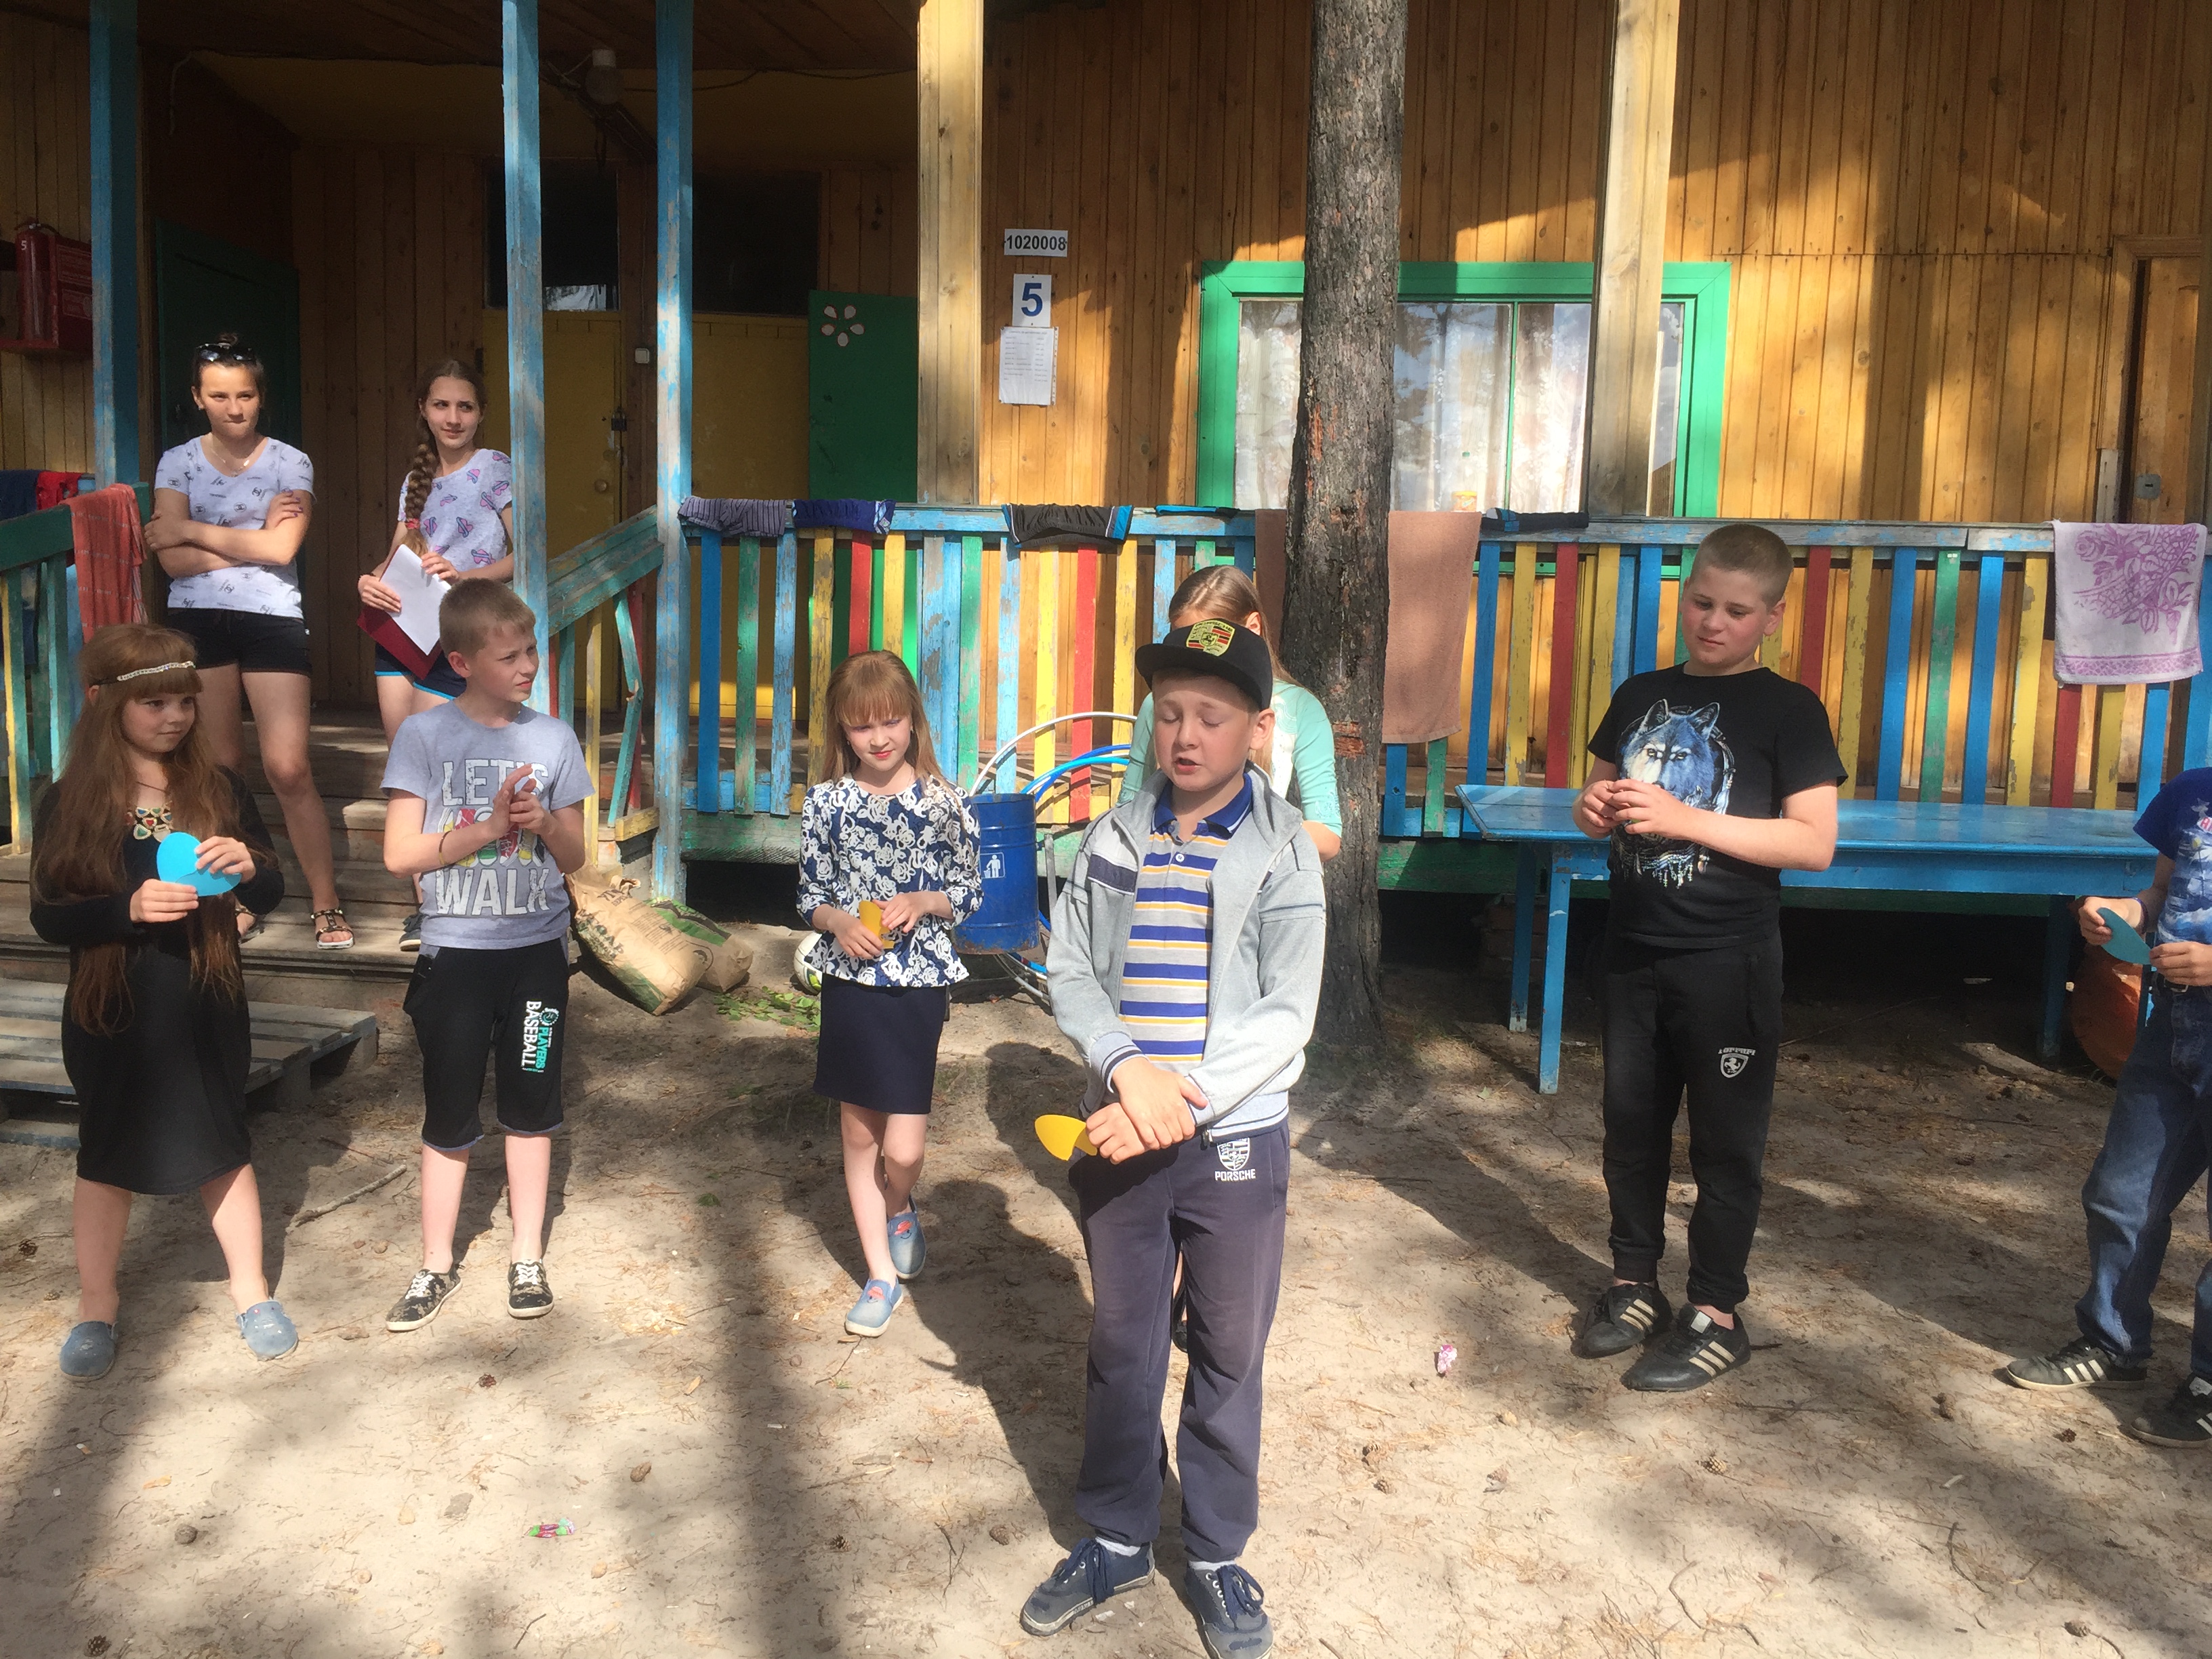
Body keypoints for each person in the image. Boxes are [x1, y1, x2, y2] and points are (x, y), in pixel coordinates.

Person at [1025, 619, 1325, 1659]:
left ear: (1257, 728)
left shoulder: (1285, 850)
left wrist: (1184, 1097)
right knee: (1123, 1340)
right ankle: (1116, 1535)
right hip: (1123, 1125)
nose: (1186, 736)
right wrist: (1127, 1070)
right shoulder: (1114, 835)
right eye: (1171, 715)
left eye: (1212, 717)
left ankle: (1215, 1551)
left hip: (1233, 1139)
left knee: (1230, 1349)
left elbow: (1286, 1014)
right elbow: (1070, 967)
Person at [1567, 523, 1841, 1391]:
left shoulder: (1790, 710)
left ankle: (1718, 1313)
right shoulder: (1641, 693)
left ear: (1772, 617)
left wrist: (1687, 820)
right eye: (1701, 603)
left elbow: (1814, 843)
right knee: (1630, 1130)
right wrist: (1592, 808)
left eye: (1736, 611)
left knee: (1725, 1145)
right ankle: (1633, 1284)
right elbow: (1597, 794)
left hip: (1728, 963)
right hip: (1632, 952)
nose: (1713, 622)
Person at [30, 624, 294, 1377]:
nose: (176, 717)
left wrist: (250, 867)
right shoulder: (70, 801)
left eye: (185, 701)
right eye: (155, 704)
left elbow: (271, 889)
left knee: (224, 1145)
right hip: (109, 1010)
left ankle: (252, 1293)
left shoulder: (220, 788)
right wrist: (127, 908)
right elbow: (49, 918)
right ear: (105, 703)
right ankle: (96, 1306)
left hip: (206, 1000)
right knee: (105, 1154)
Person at [377, 579, 589, 1331]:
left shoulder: (554, 740)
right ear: (462, 663)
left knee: (531, 1106)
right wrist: (489, 829)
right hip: (456, 960)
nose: (527, 665)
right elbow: (399, 855)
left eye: (531, 650)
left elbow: (576, 857)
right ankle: (435, 1265)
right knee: (449, 1110)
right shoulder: (423, 737)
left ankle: (526, 1258)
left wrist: (544, 826)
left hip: (536, 958)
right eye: (509, 656)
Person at [2003, 786, 2212, 1448]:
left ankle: (2209, 1383)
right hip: (2172, 1026)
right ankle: (2112, 1342)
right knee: (2121, 1193)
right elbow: (2161, 893)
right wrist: (2126, 913)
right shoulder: (2192, 793)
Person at [795, 650, 981, 1338]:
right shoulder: (826, 803)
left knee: (902, 1150)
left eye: (890, 722)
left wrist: (924, 900)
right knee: (857, 1131)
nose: (878, 738)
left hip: (920, 982)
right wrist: (839, 923)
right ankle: (880, 1276)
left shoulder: (943, 802)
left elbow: (969, 891)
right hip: (851, 984)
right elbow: (810, 896)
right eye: (861, 726)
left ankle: (899, 1204)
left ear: (912, 720)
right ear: (842, 730)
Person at [146, 334, 349, 951]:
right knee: (222, 770)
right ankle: (237, 896)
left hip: (272, 619)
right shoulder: (177, 461)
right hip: (198, 619)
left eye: (245, 396)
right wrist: (249, 539)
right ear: (197, 398)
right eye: (219, 396)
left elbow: (282, 549)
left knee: (289, 767)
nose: (234, 409)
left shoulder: (291, 461)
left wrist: (191, 528)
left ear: (261, 397)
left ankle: (326, 903)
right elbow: (172, 562)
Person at [358, 359, 516, 952]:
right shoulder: (415, 479)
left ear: (481, 413)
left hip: (458, 633)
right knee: (407, 769)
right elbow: (397, 557)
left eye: (465, 406)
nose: (453, 418)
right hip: (403, 631)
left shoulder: (495, 467)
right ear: (424, 410)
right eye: (441, 405)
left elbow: (525, 553)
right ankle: (424, 901)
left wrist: (465, 573)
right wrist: (368, 581)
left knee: (441, 767)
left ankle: (447, 897)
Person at [1116, 565, 1343, 861]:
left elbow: (1327, 834)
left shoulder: (1301, 709)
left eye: (1209, 645)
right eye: (1182, 645)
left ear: (1253, 628)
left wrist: (1232, 838)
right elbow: (1128, 808)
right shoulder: (1155, 706)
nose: (1194, 660)